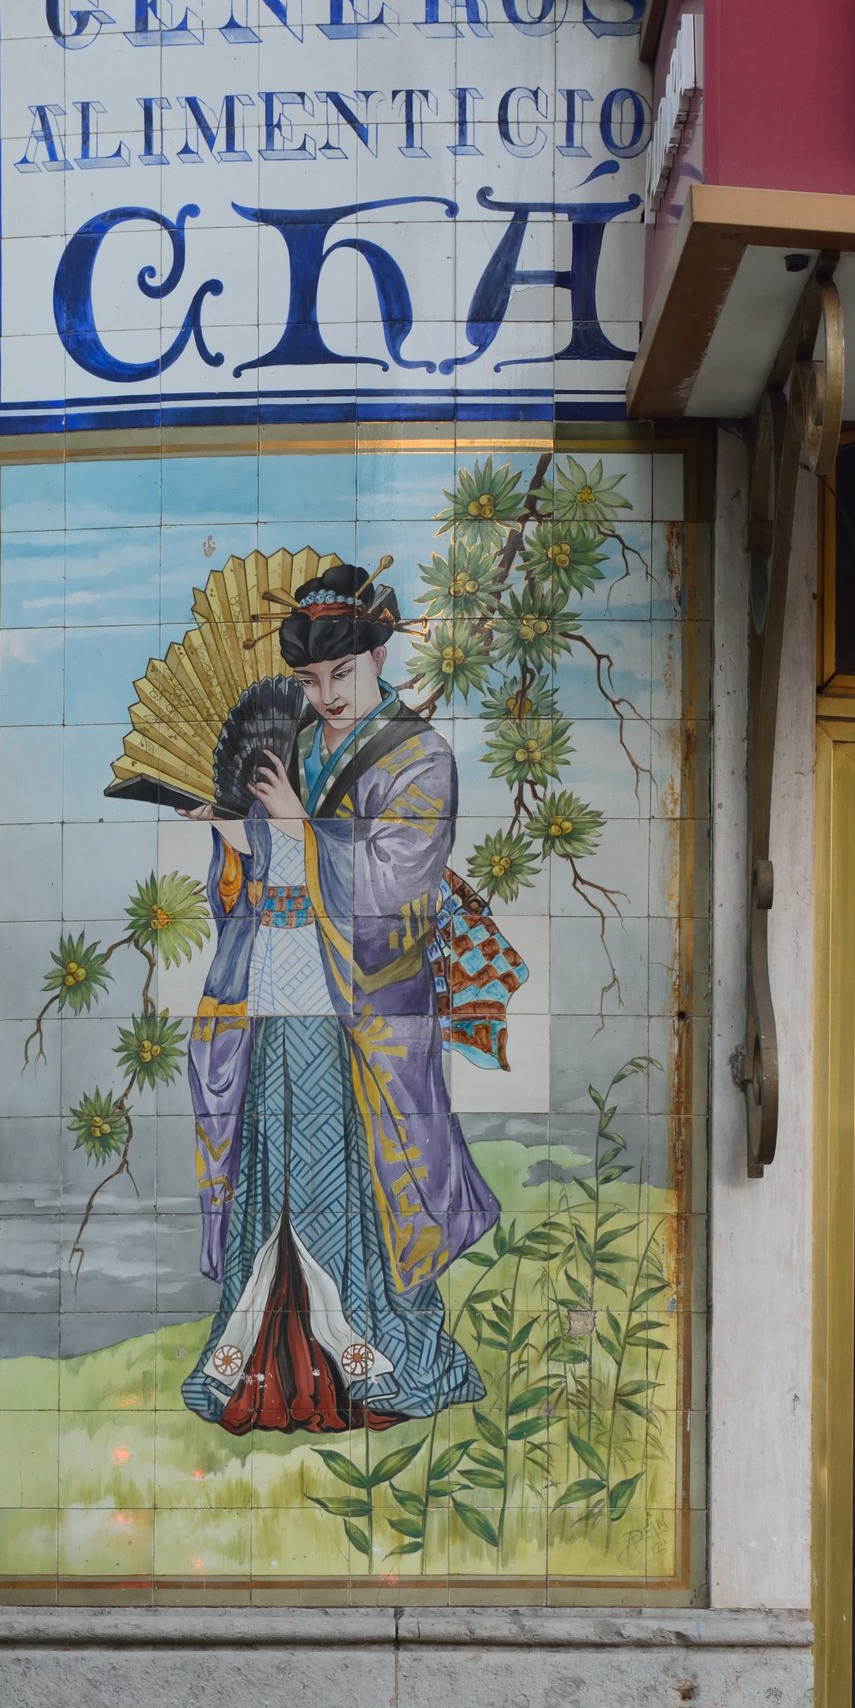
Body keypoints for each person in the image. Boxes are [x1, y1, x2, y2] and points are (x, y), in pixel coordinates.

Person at [179, 562, 499, 1434]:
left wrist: (301, 830)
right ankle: (264, 1369)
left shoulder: (420, 757)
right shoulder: (292, 742)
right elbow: (247, 883)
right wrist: (234, 837)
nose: (325, 696)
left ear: (379, 657)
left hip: (362, 1007)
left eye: (342, 674)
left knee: (356, 1181)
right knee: (270, 1167)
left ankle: (370, 1361)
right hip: (274, 985)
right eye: (311, 679)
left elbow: (401, 883)